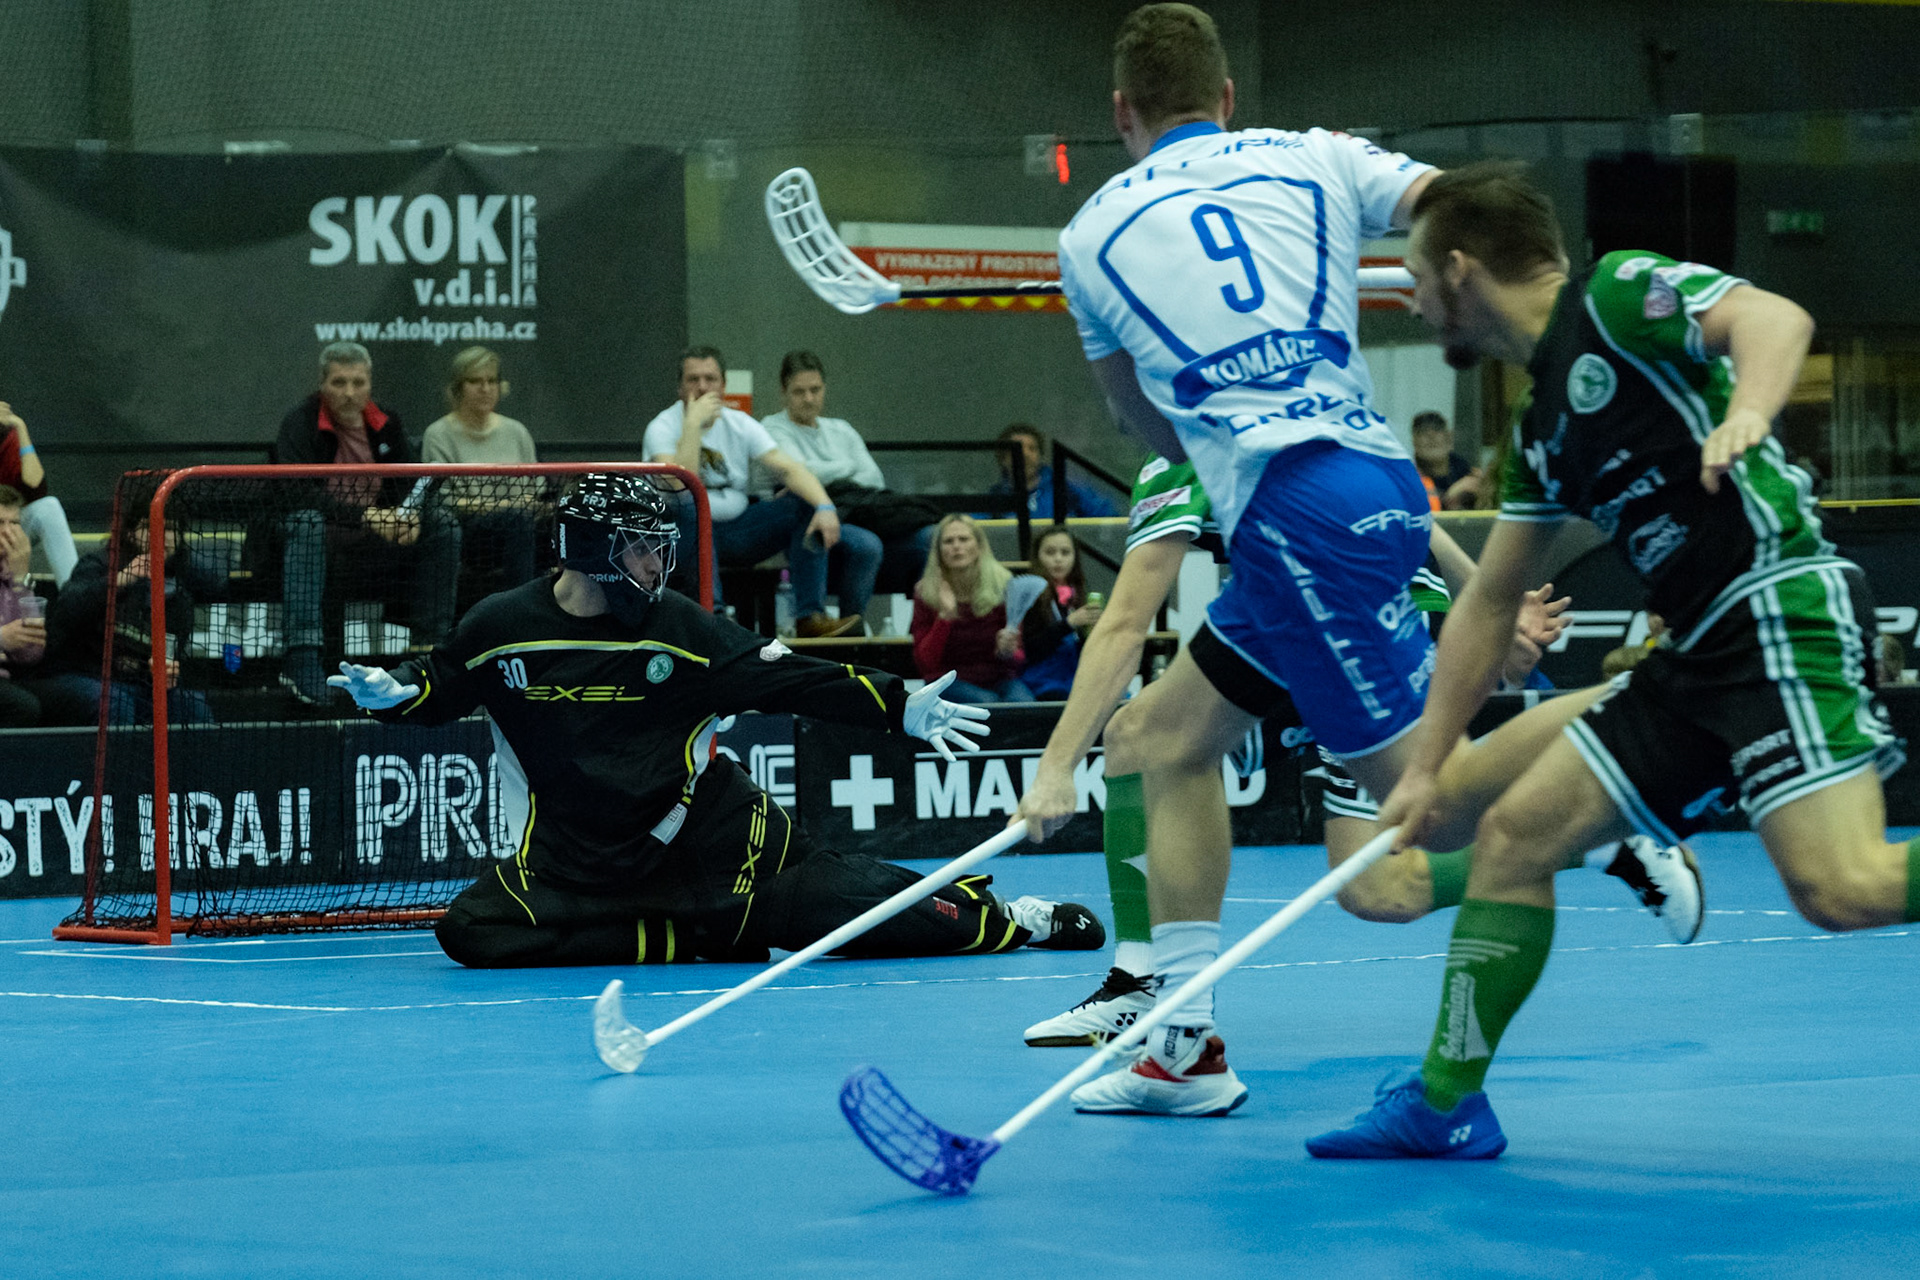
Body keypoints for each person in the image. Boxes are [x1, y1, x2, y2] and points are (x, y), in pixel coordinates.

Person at [1306, 162, 1912, 1159]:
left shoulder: (1619, 295)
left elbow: (1774, 317)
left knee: (1845, 888)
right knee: (1510, 840)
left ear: (1459, 270)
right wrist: (1423, 767)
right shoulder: (1541, 428)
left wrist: (1750, 412)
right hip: (1691, 654)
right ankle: (1444, 1104)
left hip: (1772, 608)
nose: (1411, 300)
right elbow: (1489, 601)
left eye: (1414, 277)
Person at [1045, 2, 1449, 1109]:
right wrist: (1433, 283)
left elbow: (1139, 419)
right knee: (1160, 740)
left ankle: (1615, 805)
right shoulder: (1318, 154)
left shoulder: (1088, 238)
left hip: (1295, 513)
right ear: (1226, 97)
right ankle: (1185, 1048)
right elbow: (1455, 206)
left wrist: (1216, 435)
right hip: (1363, 486)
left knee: (1429, 809)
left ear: (1120, 113)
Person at [1013, 455, 1701, 1051]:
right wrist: (1488, 599)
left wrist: (1056, 767)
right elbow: (1407, 501)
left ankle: (1145, 984)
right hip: (1303, 617)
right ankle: (1598, 841)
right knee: (1379, 890)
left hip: (1364, 618)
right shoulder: (1267, 411)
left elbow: (1125, 624)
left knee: (1144, 737)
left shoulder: (1191, 445)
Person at [326, 473, 1103, 967]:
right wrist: (392, 696)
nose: (656, 565)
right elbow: (439, 687)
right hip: (577, 867)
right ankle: (696, 935)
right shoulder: (502, 626)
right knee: (471, 931)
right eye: (641, 549)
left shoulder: (680, 628)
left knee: (854, 910)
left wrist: (896, 703)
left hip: (720, 843)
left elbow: (790, 677)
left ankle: (1012, 919)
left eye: (658, 548)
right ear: (592, 551)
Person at [274, 341, 462, 705]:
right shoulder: (300, 422)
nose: (349, 392)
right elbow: (295, 493)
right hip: (317, 543)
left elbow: (412, 481)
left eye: (358, 383)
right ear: (322, 384)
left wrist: (411, 517)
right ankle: (301, 658)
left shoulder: (386, 423)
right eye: (339, 382)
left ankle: (431, 651)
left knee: (443, 525)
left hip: (376, 544)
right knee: (306, 522)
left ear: (370, 383)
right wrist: (366, 516)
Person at [645, 346, 860, 638]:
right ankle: (714, 621)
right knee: (692, 508)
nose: (702, 387)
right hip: (680, 536)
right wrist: (693, 424)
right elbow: (681, 485)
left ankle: (810, 617)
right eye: (693, 379)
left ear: (723, 385)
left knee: (803, 504)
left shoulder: (740, 424)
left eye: (710, 379)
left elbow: (789, 468)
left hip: (736, 531)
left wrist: (825, 506)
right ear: (680, 387)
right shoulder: (662, 427)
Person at [759, 350, 941, 616]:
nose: (809, 399)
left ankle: (927, 625)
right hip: (808, 523)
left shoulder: (841, 429)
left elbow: (873, 479)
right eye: (799, 392)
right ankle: (851, 628)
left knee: (931, 537)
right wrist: (847, 468)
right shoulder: (771, 428)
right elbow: (799, 473)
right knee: (867, 545)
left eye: (815, 390)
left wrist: (820, 476)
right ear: (783, 392)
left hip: (861, 513)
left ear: (824, 388)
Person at [34, 501, 214, 727]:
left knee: (193, 706)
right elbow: (66, 611)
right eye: (149, 526)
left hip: (138, 685)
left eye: (170, 528)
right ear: (129, 533)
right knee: (115, 702)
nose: (161, 535)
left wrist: (164, 670)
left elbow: (170, 651)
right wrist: (121, 580)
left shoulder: (178, 595)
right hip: (80, 675)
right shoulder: (99, 564)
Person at [422, 346, 541, 593]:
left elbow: (535, 491)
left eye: (492, 381)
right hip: (468, 534)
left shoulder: (517, 432)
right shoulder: (438, 435)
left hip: (521, 527)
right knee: (517, 520)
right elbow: (443, 502)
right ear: (458, 387)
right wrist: (506, 506)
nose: (485, 389)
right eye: (475, 381)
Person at [911, 514, 1033, 704]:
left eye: (964, 539)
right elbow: (925, 664)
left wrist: (1007, 651)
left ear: (979, 546)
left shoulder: (1003, 585)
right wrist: (945, 617)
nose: (956, 546)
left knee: (1024, 704)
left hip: (999, 678)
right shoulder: (926, 591)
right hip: (947, 681)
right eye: (948, 541)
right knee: (987, 704)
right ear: (939, 551)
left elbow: (1018, 659)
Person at [0, 399, 79, 586]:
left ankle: (74, 593)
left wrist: (20, 427)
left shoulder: (7, 436)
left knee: (48, 507)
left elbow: (36, 487)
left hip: (5, 528)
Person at [1018, 526, 1101, 700]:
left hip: (1076, 673)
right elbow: (1029, 650)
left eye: (1065, 553)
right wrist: (1068, 624)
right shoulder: (1029, 593)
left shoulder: (1078, 592)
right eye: (1050, 552)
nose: (1058, 559)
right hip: (1041, 676)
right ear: (1037, 556)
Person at [986, 424, 1118, 519]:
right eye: (1018, 449)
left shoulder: (1067, 489)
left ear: (1040, 456)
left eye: (1032, 448)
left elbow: (1109, 518)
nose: (1026, 455)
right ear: (1003, 459)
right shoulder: (994, 499)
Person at [0, 485, 46, 726]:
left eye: (15, 523)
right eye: (0, 523)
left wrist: (20, 578)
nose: (9, 533)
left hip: (10, 677)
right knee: (23, 707)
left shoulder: (11, 572)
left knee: (82, 699)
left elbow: (30, 653)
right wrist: (2, 639)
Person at [1411, 410, 1483, 510]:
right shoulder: (1410, 478)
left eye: (1437, 429)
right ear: (1414, 442)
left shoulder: (1467, 472)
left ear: (1449, 437)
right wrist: (1450, 497)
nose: (1431, 436)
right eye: (1423, 431)